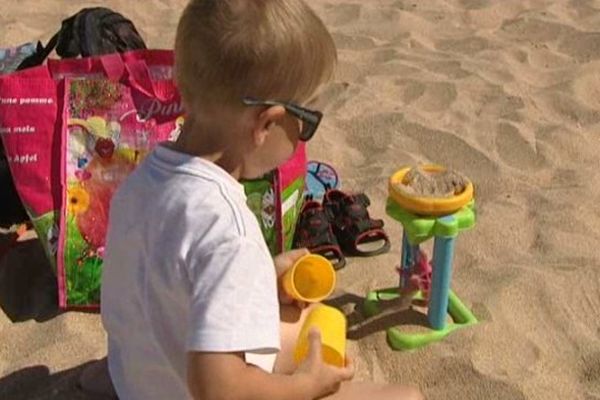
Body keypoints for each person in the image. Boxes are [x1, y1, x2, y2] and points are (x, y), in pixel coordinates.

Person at [94, 1, 424, 399]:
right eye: (305, 122)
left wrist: (261, 277)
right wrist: (304, 386)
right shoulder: (229, 230)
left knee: (311, 322)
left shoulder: (139, 184)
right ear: (267, 123)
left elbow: (171, 279)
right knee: (405, 397)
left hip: (142, 382)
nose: (302, 134)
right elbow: (218, 389)